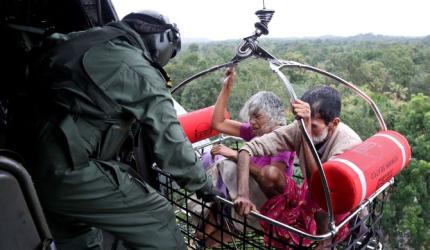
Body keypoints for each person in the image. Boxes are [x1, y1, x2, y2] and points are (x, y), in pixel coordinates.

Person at [29, 10, 214, 250]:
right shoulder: (137, 68)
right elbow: (172, 142)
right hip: (69, 167)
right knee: (157, 217)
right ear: (163, 40)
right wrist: (203, 185)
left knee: (79, 234)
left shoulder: (80, 40)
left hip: (31, 157)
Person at [233, 86, 362, 248]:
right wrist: (242, 194)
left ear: (334, 123)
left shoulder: (348, 143)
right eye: (302, 124)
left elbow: (321, 189)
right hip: (308, 196)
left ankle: (324, 243)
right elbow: (247, 149)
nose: (306, 129)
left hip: (334, 207)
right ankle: (291, 227)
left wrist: (306, 133)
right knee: (268, 174)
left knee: (322, 212)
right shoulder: (300, 127)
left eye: (314, 126)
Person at [192, 67, 295, 246]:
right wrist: (227, 88)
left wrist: (234, 155)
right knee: (204, 234)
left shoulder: (282, 139)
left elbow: (270, 178)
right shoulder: (256, 131)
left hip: (262, 200)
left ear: (273, 116)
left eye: (257, 116)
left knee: (219, 230)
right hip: (237, 193)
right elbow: (218, 122)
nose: (252, 121)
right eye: (250, 116)